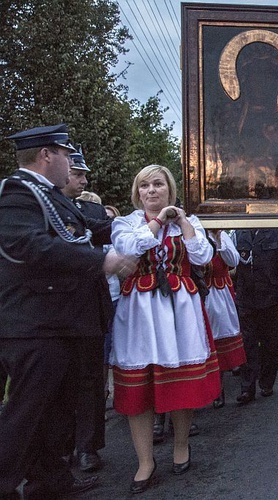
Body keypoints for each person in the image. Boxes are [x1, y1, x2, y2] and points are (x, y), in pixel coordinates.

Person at [0, 124, 135, 498]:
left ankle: (49, 482)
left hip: (60, 323)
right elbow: (28, 245)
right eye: (66, 155)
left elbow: (91, 228)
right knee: (25, 413)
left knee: (52, 413)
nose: (71, 164)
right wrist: (101, 261)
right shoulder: (16, 193)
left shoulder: (51, 196)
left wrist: (142, 223)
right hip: (34, 324)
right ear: (47, 155)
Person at [110, 164, 219, 493]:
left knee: (180, 381)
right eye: (145, 186)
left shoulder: (190, 222)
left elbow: (203, 257)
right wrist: (158, 221)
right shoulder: (125, 223)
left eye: (158, 184)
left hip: (179, 309)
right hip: (139, 311)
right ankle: (145, 461)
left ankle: (181, 444)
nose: (151, 191)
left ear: (169, 190)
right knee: (138, 390)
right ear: (137, 192)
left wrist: (183, 221)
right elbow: (128, 249)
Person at [59, 149, 109, 473]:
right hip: (57, 310)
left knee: (91, 380)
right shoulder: (45, 207)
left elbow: (108, 232)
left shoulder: (91, 209)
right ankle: (60, 448)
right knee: (60, 382)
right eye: (78, 174)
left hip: (90, 305)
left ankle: (87, 447)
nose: (84, 180)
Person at [233, 228, 278, 403]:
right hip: (245, 296)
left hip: (269, 295)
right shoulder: (237, 233)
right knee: (247, 342)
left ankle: (266, 382)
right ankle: (247, 387)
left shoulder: (277, 233)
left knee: (269, 342)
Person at [204, 229, 246, 408]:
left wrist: (219, 239)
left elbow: (233, 260)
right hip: (199, 291)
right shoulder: (192, 231)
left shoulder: (221, 234)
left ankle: (217, 389)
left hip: (219, 293)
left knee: (218, 340)